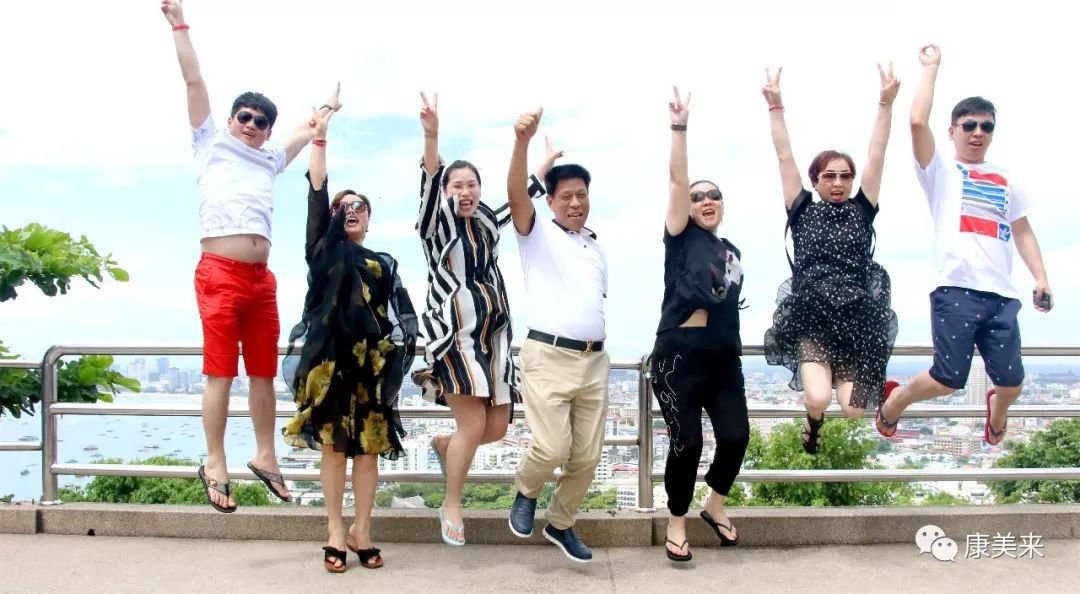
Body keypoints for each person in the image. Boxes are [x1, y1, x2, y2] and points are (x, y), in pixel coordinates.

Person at [161, 0, 334, 511]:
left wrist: (326, 112)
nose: (252, 124)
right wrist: (179, 24)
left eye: (261, 121)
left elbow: (305, 130)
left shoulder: (269, 160)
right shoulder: (210, 144)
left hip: (261, 279)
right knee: (220, 372)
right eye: (245, 117)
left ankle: (265, 455)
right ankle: (215, 461)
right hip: (219, 273)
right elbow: (194, 81)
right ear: (232, 119)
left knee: (262, 372)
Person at [876, 45, 1053, 444]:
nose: (977, 133)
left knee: (1012, 382)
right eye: (969, 125)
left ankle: (997, 409)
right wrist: (931, 68)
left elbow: (1023, 231)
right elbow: (917, 122)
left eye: (986, 127)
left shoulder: (1007, 179)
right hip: (955, 287)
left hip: (1001, 294)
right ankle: (895, 400)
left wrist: (1041, 278)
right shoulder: (942, 171)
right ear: (953, 130)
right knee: (948, 378)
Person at [280, 94, 418, 573]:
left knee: (369, 450)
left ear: (370, 218)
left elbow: (399, 317)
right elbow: (317, 188)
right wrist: (320, 137)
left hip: (371, 366)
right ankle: (335, 530)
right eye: (344, 206)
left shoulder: (384, 262)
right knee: (334, 448)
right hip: (330, 365)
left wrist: (397, 361)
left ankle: (363, 529)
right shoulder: (323, 250)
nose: (351, 210)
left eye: (360, 206)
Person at [410, 93, 555, 546]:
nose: (465, 191)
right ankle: (451, 504)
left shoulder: (489, 222)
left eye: (472, 184)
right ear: (446, 192)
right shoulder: (436, 226)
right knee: (473, 427)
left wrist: (542, 164)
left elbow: (522, 194)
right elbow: (429, 182)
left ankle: (444, 445)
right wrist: (432, 136)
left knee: (494, 429)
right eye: (457, 185)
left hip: (494, 339)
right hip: (454, 336)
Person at [761, 64, 901, 455]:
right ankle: (813, 421)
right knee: (818, 397)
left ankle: (868, 392)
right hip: (813, 316)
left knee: (855, 410)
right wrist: (776, 107)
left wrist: (885, 104)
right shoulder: (802, 209)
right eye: (829, 176)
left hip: (857, 319)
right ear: (816, 180)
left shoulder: (862, 210)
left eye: (845, 176)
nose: (838, 183)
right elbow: (784, 157)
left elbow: (877, 155)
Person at [649, 88, 749, 562]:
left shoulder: (732, 253)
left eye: (714, 195)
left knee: (736, 436)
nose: (706, 200)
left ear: (722, 205)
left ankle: (715, 504)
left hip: (723, 358)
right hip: (679, 359)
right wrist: (679, 127)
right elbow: (676, 180)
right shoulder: (680, 236)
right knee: (687, 443)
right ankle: (677, 519)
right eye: (698, 196)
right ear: (688, 207)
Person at [506, 108, 609, 564]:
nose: (575, 203)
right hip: (548, 355)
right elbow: (515, 193)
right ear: (549, 201)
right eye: (565, 196)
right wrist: (523, 143)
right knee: (551, 447)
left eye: (581, 195)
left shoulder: (595, 246)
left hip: (595, 361)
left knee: (586, 457)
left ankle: (561, 522)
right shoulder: (538, 235)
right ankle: (526, 490)